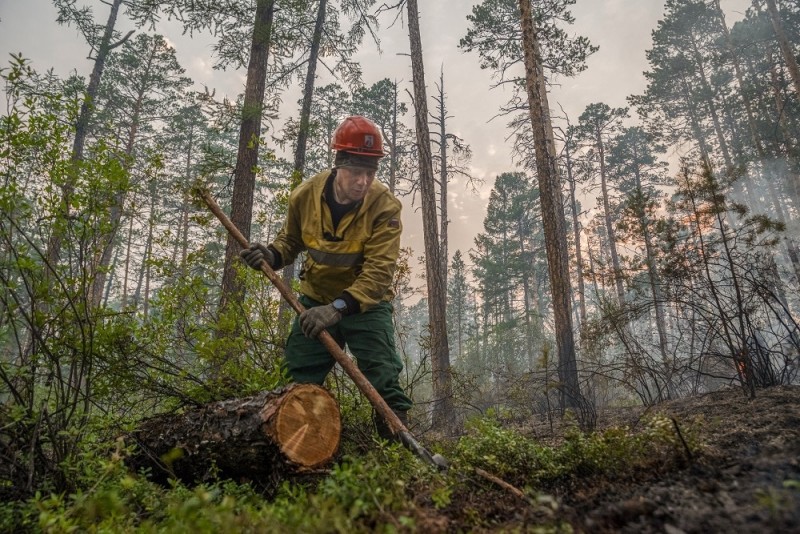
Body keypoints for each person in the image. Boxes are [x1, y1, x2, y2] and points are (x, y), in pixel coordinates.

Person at [240, 115, 412, 440]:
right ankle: (295, 448)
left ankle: (399, 452)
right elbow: (289, 243)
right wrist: (270, 256)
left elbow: (378, 274)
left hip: (365, 308)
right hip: (315, 300)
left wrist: (337, 308)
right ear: (338, 165)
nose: (363, 181)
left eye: (370, 173)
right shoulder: (304, 196)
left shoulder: (385, 208)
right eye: (356, 172)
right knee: (296, 378)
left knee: (384, 378)